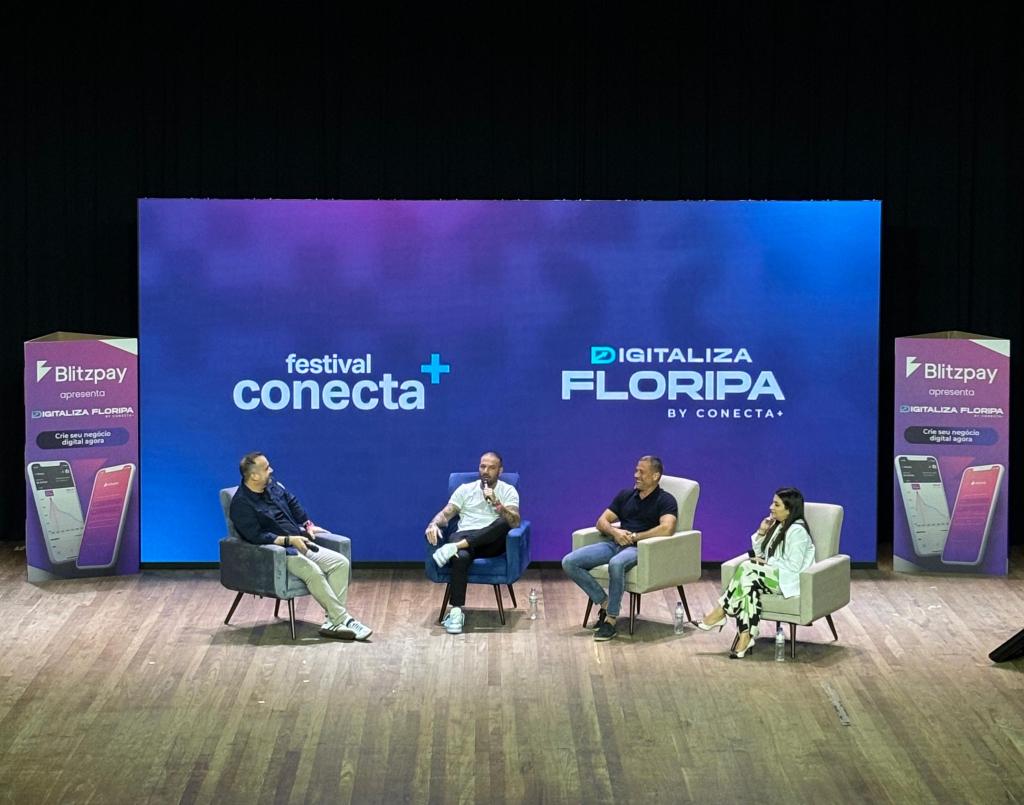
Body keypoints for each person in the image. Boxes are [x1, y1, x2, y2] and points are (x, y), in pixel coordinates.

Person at [229, 452, 373, 641]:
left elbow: (292, 502)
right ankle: (344, 619)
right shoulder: (241, 504)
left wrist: (307, 524)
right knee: (313, 571)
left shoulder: (272, 486)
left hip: (301, 543)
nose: (271, 470)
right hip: (278, 554)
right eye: (267, 468)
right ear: (254, 476)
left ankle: (332, 622)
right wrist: (289, 540)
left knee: (340, 563)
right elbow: (256, 537)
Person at [561, 456, 678, 642]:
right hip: (615, 543)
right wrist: (615, 533)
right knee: (569, 562)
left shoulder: (665, 500)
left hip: (640, 548)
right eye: (636, 470)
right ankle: (605, 602)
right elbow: (601, 521)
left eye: (641, 472)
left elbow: (667, 528)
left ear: (655, 476)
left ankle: (611, 620)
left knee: (616, 564)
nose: (636, 475)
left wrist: (635, 537)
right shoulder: (626, 495)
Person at [697, 487, 815, 658]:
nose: (771, 507)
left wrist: (767, 563)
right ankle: (746, 637)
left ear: (789, 509)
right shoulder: (779, 526)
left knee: (747, 568)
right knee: (748, 587)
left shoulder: (797, 531)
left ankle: (721, 611)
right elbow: (761, 554)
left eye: (776, 505)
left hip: (789, 580)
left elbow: (794, 567)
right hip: (774, 576)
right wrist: (762, 532)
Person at [425, 451, 521, 634]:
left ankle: (455, 547)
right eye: (483, 466)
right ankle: (455, 612)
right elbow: (446, 514)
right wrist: (433, 524)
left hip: (490, 542)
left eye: (491, 468)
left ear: (500, 471)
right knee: (460, 557)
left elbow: (515, 522)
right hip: (464, 534)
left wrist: (497, 504)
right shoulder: (465, 489)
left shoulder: (508, 491)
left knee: (503, 523)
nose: (486, 471)